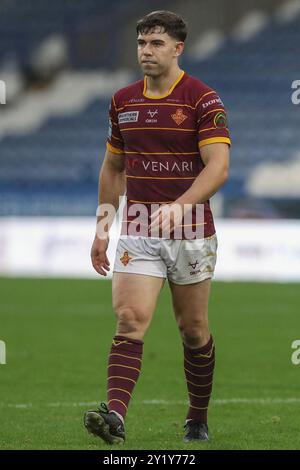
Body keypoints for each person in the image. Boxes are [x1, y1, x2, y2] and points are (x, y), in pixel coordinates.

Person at [84, 10, 231, 444]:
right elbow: (113, 167)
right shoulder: (123, 101)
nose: (146, 52)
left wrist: (181, 206)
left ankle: (197, 416)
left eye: (156, 44)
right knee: (129, 319)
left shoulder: (203, 100)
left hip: (190, 231)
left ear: (178, 48)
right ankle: (115, 417)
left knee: (193, 329)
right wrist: (102, 227)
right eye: (142, 43)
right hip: (139, 228)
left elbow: (218, 168)